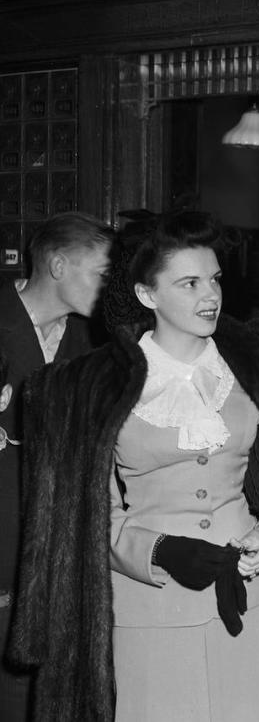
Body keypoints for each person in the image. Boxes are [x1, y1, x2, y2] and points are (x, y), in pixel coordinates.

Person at [9, 211, 259, 721]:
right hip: (149, 608)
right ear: (147, 295)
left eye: (214, 279)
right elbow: (75, 517)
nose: (210, 295)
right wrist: (160, 551)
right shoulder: (85, 386)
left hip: (249, 600)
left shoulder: (258, 362)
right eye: (189, 282)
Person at [0, 211, 113, 720]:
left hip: (54, 553)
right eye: (101, 274)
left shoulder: (92, 342)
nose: (110, 289)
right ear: (59, 265)